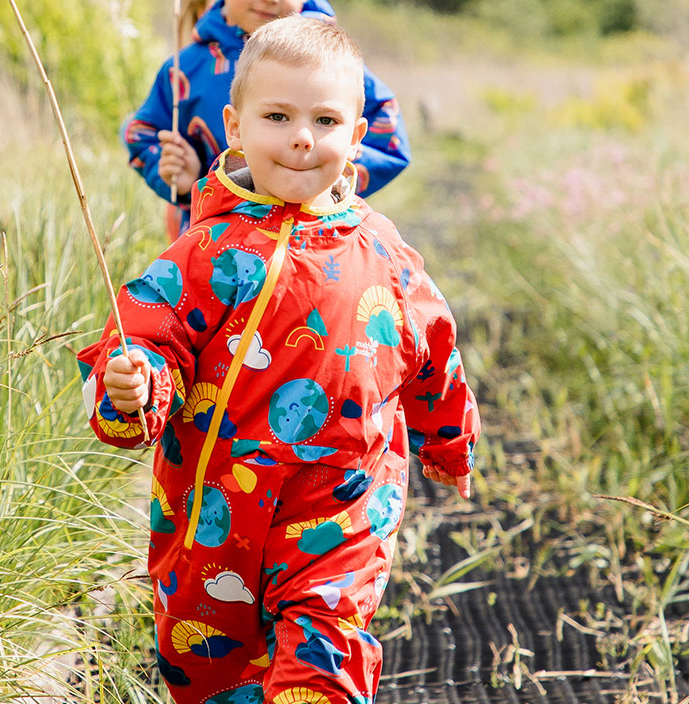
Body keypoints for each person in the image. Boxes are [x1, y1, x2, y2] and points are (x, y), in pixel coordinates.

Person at [77, 17, 476, 703]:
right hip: (215, 511)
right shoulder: (207, 251)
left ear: (357, 137)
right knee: (212, 671)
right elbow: (150, 329)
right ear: (234, 127)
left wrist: (449, 440)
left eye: (326, 120)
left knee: (323, 658)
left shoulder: (383, 251)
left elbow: (434, 348)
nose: (302, 137)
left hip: (342, 507)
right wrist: (133, 380)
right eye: (278, 116)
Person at [124, 0, 411, 237]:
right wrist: (183, 181)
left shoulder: (330, 62)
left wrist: (325, 177)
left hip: (318, 237)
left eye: (324, 120)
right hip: (213, 242)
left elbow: (388, 140)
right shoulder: (185, 69)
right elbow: (141, 134)